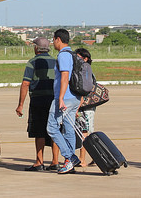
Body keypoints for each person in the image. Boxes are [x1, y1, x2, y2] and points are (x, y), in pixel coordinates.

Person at [16, 37, 59, 171]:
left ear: (36, 48)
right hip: (53, 100)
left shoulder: (32, 62)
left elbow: (25, 83)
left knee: (39, 131)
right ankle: (55, 161)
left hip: (38, 100)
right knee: (54, 130)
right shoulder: (55, 62)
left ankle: (39, 162)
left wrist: (20, 104)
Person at [46, 28, 81, 174]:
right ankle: (70, 162)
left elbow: (65, 77)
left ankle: (69, 157)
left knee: (52, 128)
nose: (53, 42)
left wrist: (60, 98)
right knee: (68, 129)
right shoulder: (73, 54)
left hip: (65, 98)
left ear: (58, 39)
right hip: (74, 97)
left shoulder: (63, 55)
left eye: (53, 40)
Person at [74, 48, 95, 167]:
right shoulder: (88, 70)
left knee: (84, 132)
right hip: (86, 106)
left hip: (85, 106)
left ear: (85, 58)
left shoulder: (85, 70)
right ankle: (94, 156)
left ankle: (82, 159)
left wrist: (77, 107)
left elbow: (83, 91)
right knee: (86, 131)